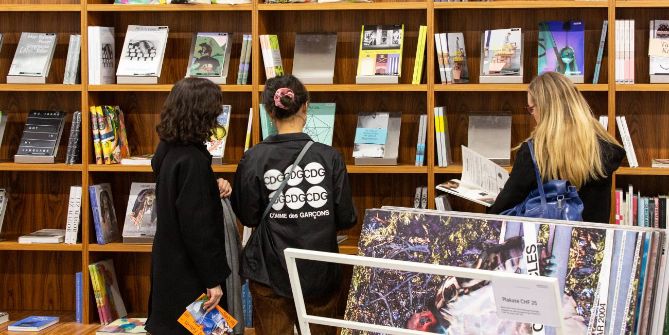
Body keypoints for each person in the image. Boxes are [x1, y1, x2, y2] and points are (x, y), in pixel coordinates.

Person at [231, 74, 357, 335]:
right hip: (319, 270)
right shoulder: (329, 157)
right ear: (305, 106)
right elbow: (346, 218)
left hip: (269, 272)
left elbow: (249, 216)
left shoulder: (253, 158)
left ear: (269, 111)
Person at [146, 78, 233, 334]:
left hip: (169, 266)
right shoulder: (194, 161)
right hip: (192, 275)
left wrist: (210, 186)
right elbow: (198, 229)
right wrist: (213, 280)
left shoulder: (168, 152)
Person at [489, 71, 625, 223]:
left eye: (531, 109)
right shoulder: (603, 148)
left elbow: (501, 210)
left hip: (545, 244)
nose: (532, 115)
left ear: (544, 109)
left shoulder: (536, 152)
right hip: (592, 243)